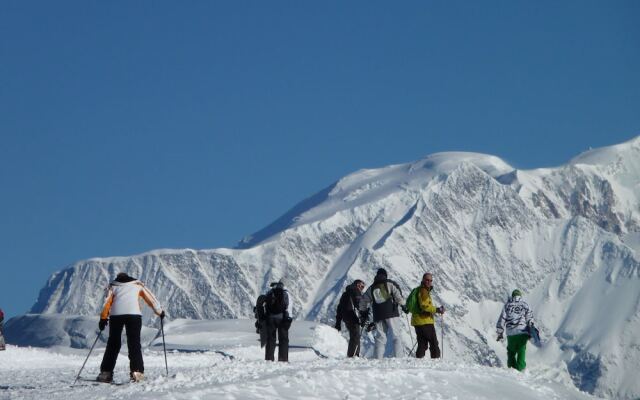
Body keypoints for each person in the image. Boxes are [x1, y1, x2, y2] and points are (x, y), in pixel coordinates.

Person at [97, 272, 164, 383]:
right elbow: (151, 299)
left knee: (113, 344)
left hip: (116, 315)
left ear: (118, 278)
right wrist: (160, 312)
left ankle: (106, 373)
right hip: (134, 315)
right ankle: (137, 373)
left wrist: (103, 318)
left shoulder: (113, 286)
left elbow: (106, 303)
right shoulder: (137, 285)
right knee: (134, 344)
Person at [359, 268, 405, 359]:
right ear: (385, 275)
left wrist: (363, 312)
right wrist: (404, 305)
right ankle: (399, 357)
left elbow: (363, 301)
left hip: (378, 314)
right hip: (391, 313)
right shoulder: (390, 283)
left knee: (380, 338)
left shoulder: (372, 287)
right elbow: (398, 296)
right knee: (396, 335)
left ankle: (378, 358)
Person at [496, 289, 535, 372]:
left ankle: (511, 369)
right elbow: (529, 318)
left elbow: (502, 319)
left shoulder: (507, 305)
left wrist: (500, 332)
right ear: (520, 296)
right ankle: (520, 369)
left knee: (511, 351)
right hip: (522, 332)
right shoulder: (525, 305)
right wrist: (531, 328)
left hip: (511, 333)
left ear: (512, 296)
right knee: (521, 351)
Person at [408, 272, 444, 358]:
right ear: (423, 280)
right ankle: (436, 363)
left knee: (422, 344)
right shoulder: (423, 291)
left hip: (417, 321)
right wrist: (438, 309)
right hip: (425, 321)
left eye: (430, 280)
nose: (429, 282)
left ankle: (418, 361)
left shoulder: (418, 290)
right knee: (433, 343)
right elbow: (425, 306)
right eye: (427, 280)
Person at [259, 281, 292, 362]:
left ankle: (269, 359)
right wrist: (289, 319)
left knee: (270, 339)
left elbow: (263, 304)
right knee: (283, 339)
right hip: (282, 319)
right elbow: (289, 306)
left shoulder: (269, 292)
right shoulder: (286, 294)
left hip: (270, 318)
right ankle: (283, 359)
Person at [334, 279, 365, 357]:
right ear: (358, 285)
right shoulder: (355, 291)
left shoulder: (345, 293)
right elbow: (359, 304)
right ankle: (353, 356)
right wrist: (363, 316)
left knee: (354, 335)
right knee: (355, 335)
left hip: (346, 318)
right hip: (352, 316)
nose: (362, 289)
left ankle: (353, 355)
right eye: (362, 286)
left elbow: (339, 308)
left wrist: (338, 322)